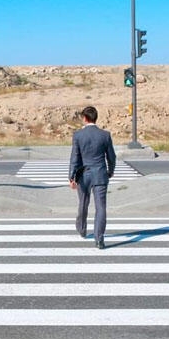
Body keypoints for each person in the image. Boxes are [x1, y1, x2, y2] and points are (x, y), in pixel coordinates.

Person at [69, 106, 116, 249]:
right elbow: (111, 156)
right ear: (95, 118)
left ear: (84, 118)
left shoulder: (78, 135)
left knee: (83, 203)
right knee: (101, 207)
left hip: (83, 174)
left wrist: (72, 177)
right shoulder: (105, 135)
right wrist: (110, 171)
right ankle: (99, 239)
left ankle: (82, 230)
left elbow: (74, 158)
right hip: (100, 174)